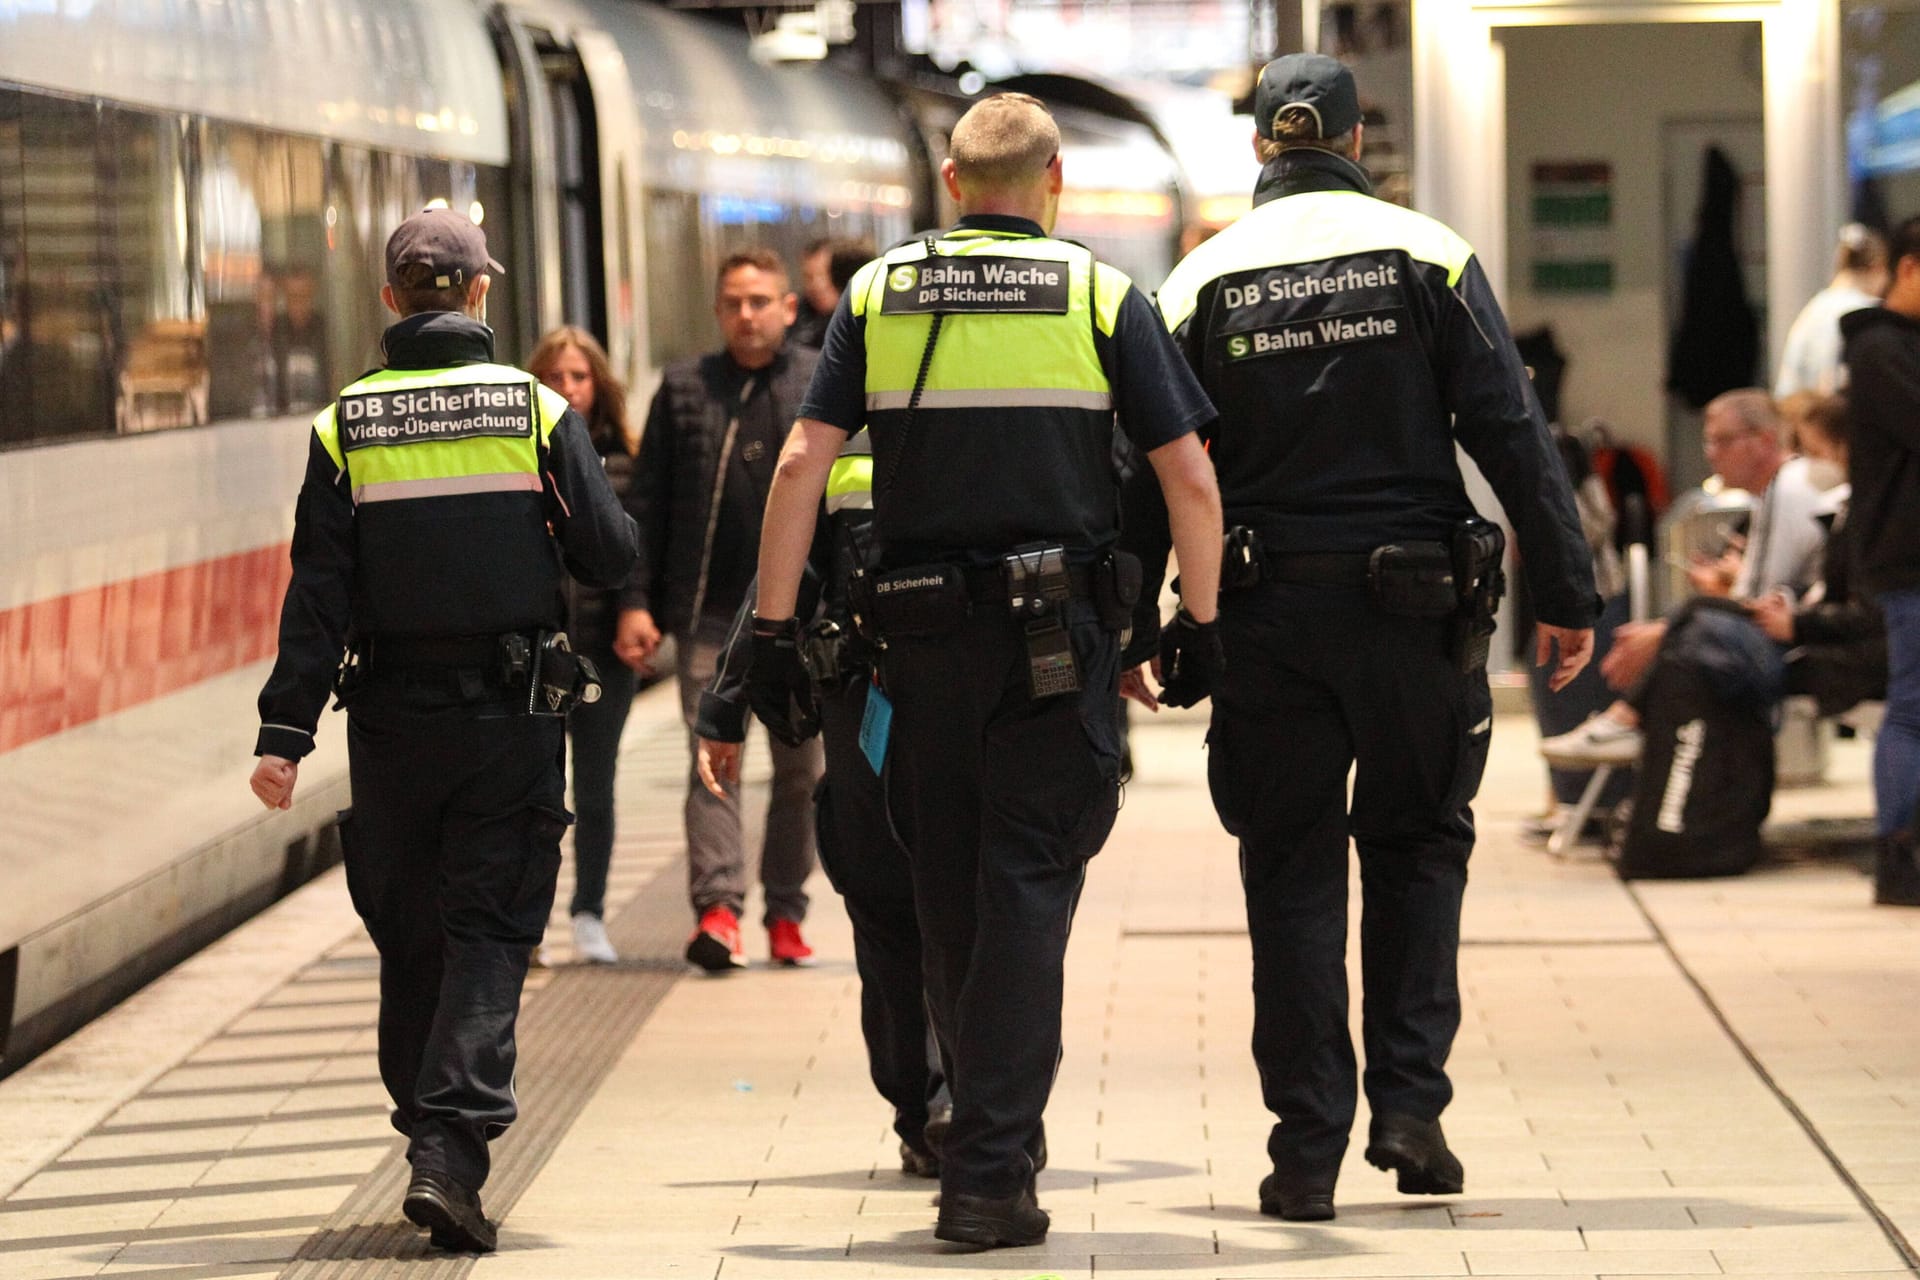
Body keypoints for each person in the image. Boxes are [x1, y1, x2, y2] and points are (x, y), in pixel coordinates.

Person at [746, 92, 1224, 1248]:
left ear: (954, 186)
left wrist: (768, 631)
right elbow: (1190, 478)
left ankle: (985, 1128)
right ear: (1053, 182)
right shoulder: (1103, 295)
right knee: (1024, 892)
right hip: (1053, 654)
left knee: (954, 889)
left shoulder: (878, 295)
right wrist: (1193, 622)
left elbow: (804, 461)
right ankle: (989, 1164)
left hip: (917, 656)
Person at [1131, 53, 1597, 1223]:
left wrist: (1138, 614)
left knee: (1288, 867)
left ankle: (1303, 1150)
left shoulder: (1199, 278)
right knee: (1418, 842)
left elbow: (1156, 470)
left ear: (1259, 147)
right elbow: (1512, 433)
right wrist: (1572, 591)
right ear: (1356, 134)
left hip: (1265, 620)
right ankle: (1410, 1106)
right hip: (1416, 617)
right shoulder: (1429, 254)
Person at [247, 208, 637, 1252]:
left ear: (389, 300)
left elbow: (317, 595)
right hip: (508, 722)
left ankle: (426, 1127)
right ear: (477, 295)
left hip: (389, 727)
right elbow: (608, 554)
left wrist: (284, 734)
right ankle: (449, 1148)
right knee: (490, 928)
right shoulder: (535, 408)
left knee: (413, 933)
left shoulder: (346, 425)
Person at [694, 428, 951, 1178]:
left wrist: (726, 706)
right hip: (946, 704)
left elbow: (785, 578)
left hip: (870, 704)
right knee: (968, 899)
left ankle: (937, 1103)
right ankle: (965, 1104)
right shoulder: (1016, 405)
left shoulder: (838, 443)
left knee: (893, 908)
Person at [622, 249, 824, 971]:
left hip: (800, 618)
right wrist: (636, 604)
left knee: (803, 770)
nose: (748, 315)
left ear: (789, 308)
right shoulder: (685, 390)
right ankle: (717, 908)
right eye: (735, 303)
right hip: (709, 616)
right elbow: (646, 504)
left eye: (761, 301)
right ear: (718, 311)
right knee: (715, 760)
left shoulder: (817, 382)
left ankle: (787, 911)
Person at [1544, 388, 1829, 764]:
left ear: (1764, 440)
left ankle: (1632, 723)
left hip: (1814, 636)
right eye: (1708, 442)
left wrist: (1664, 633)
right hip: (1807, 624)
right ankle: (1632, 728)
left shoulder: (1788, 490)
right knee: (1688, 627)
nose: (1711, 454)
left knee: (1689, 636)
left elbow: (1758, 603)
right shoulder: (1781, 491)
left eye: (1723, 441)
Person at [529, 326, 640, 965]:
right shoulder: (514, 461)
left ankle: (589, 912)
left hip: (599, 652)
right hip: (539, 651)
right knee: (541, 791)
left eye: (577, 377)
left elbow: (635, 553)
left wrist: (634, 614)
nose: (566, 390)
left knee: (595, 789)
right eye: (551, 378)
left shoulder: (623, 461)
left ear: (599, 385)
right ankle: (534, 918)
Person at [1840, 213, 1920, 905]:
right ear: (1907, 269)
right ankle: (1898, 855)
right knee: (1912, 707)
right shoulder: (1879, 350)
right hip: (1906, 556)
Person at [1775, 223, 1888, 398]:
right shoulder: (1865, 314)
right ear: (1878, 268)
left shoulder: (1815, 306)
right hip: (1831, 414)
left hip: (1797, 409)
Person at [790, 238, 872, 348]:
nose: (817, 285)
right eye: (808, 277)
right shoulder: (795, 317)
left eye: (823, 275)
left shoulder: (861, 319)